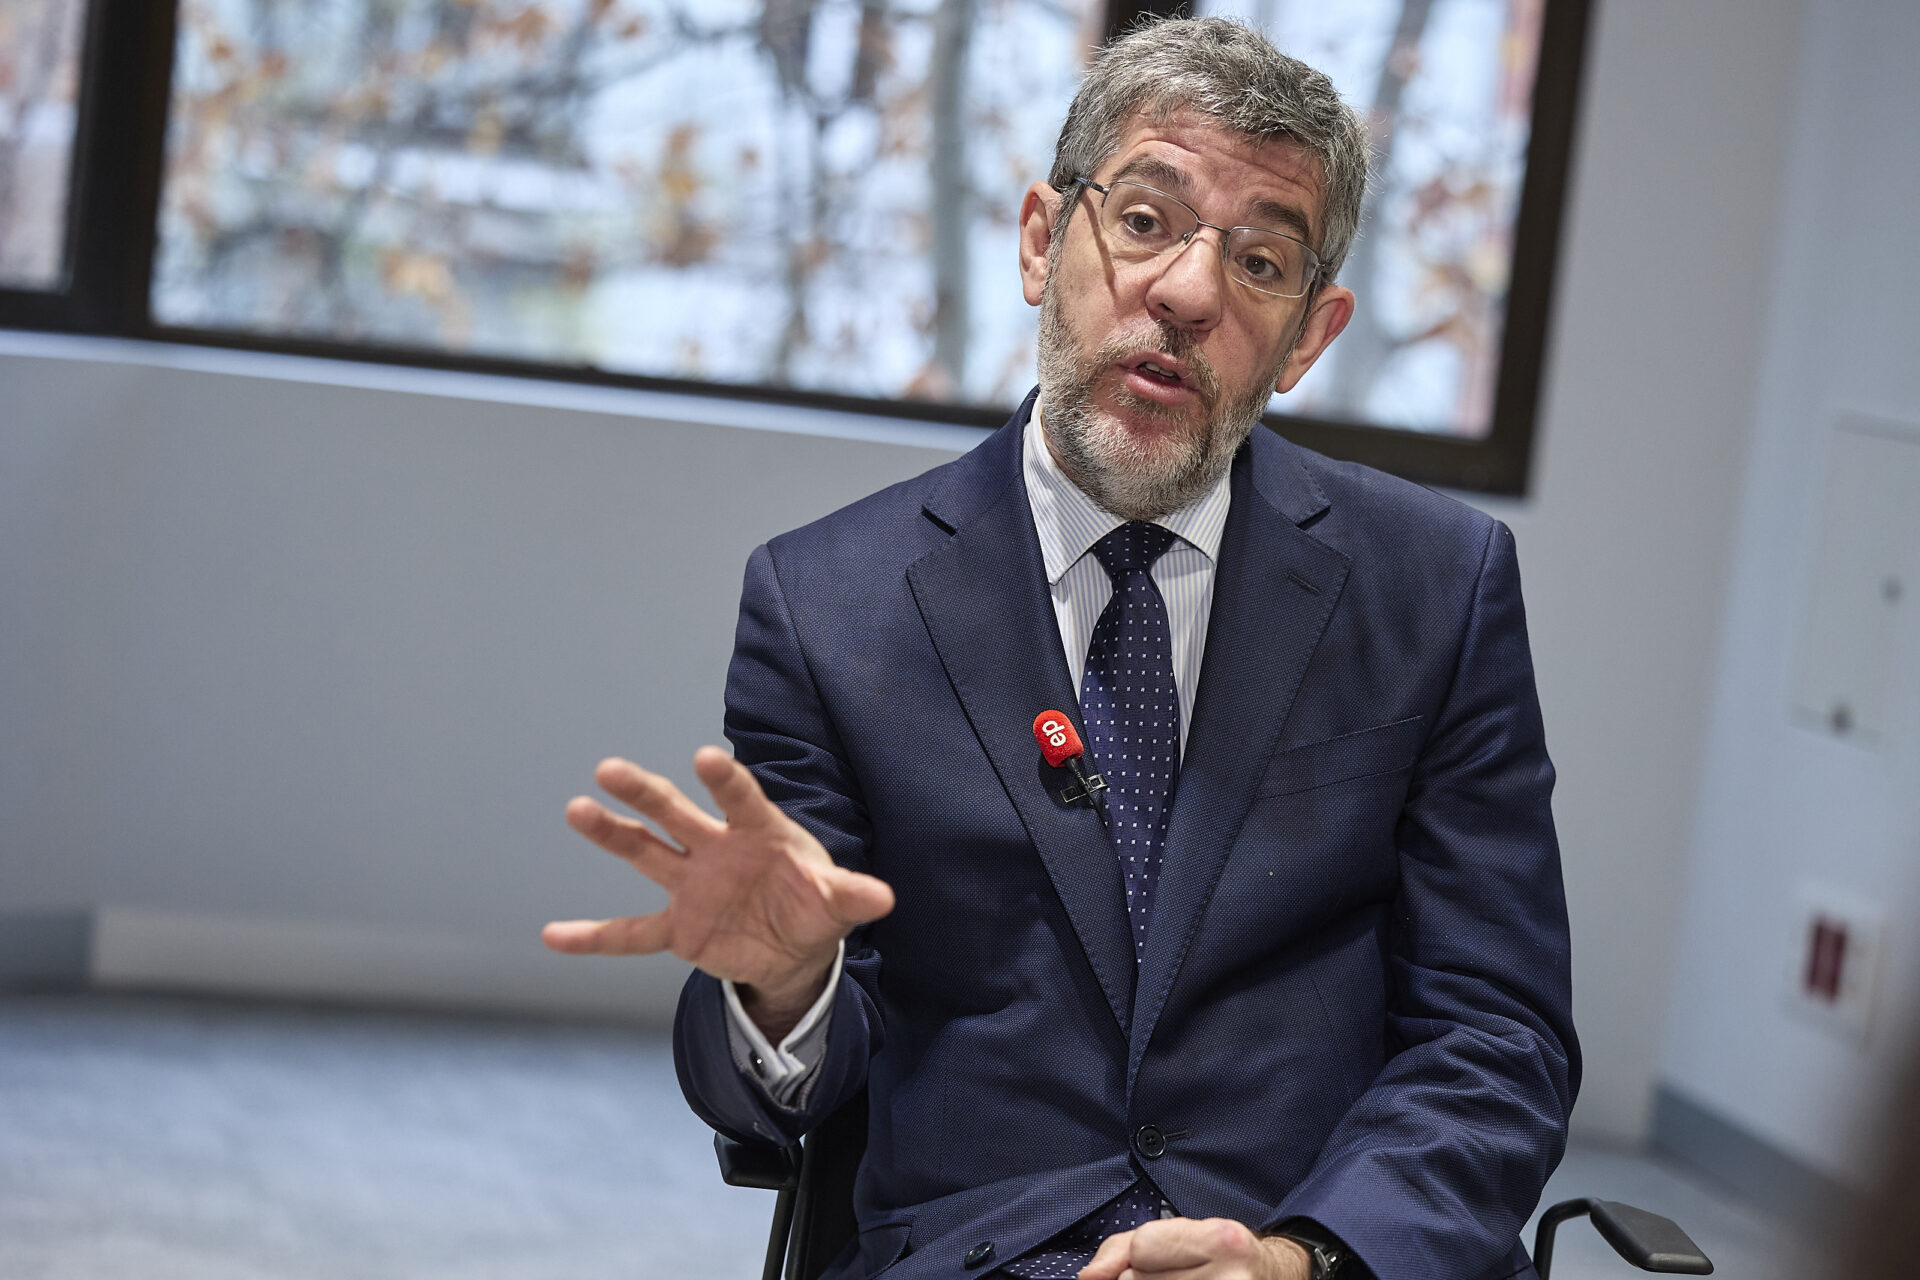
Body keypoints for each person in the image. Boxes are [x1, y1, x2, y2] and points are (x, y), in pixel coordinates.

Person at [545, 17, 1577, 1280]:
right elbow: (776, 1085)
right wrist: (783, 987)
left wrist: (1300, 1257)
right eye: (1144, 221)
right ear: (1043, 240)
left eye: (1260, 262)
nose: (1188, 293)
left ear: (1308, 336)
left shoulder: (1436, 587)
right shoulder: (829, 605)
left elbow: (1497, 1035)